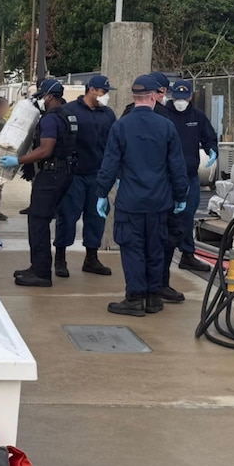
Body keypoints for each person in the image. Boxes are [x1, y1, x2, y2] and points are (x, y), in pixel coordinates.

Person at [95, 75, 189, 317]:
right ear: (152, 96)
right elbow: (177, 165)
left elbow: (110, 163)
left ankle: (135, 298)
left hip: (131, 201)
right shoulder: (166, 126)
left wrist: (101, 193)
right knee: (156, 248)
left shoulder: (121, 126)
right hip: (160, 201)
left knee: (132, 249)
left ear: (134, 96)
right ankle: (153, 297)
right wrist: (180, 196)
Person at [1, 79, 76, 287]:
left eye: (41, 96)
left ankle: (42, 273)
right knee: (39, 220)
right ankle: (37, 266)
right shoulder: (67, 115)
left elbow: (45, 150)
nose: (40, 100)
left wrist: (17, 160)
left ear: (49, 97)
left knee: (38, 222)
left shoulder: (50, 120)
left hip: (51, 174)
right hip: (63, 173)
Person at [54, 74, 117, 277]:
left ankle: (91, 258)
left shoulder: (108, 114)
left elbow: (113, 145)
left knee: (97, 218)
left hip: (97, 175)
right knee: (67, 216)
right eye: (103, 92)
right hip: (74, 175)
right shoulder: (68, 111)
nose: (105, 96)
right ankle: (60, 258)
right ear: (92, 90)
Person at [157, 79, 218, 277]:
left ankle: (187, 253)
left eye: (184, 98)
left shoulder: (197, 117)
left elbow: (209, 137)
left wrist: (212, 151)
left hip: (189, 175)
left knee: (188, 215)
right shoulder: (162, 115)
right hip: (165, 176)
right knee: (163, 215)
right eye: (177, 97)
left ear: (190, 96)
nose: (180, 101)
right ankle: (160, 253)